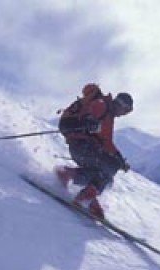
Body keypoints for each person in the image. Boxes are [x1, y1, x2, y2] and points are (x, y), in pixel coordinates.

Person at [55, 83, 133, 219]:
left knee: (106, 178)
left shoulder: (109, 116)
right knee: (110, 166)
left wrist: (120, 159)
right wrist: (90, 121)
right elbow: (91, 111)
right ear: (120, 104)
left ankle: (67, 174)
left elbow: (107, 142)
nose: (123, 114)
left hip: (81, 148)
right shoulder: (102, 105)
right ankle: (86, 198)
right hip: (82, 146)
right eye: (125, 111)